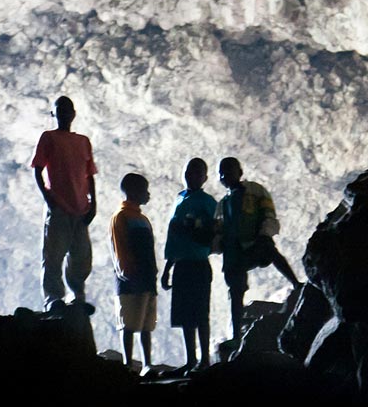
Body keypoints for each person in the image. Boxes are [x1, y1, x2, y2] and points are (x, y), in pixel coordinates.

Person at [215, 157, 302, 338]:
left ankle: (296, 284)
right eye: (221, 172)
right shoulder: (222, 204)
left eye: (229, 170)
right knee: (236, 290)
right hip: (234, 252)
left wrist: (265, 233)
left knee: (271, 252)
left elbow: (268, 212)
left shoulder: (255, 191)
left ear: (239, 172)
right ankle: (236, 335)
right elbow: (218, 230)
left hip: (256, 241)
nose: (225, 175)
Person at [31, 96, 98, 312]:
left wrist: (93, 203)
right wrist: (48, 197)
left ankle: (77, 296)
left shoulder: (83, 141)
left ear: (74, 113)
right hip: (58, 206)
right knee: (53, 255)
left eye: (67, 110)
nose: (64, 114)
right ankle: (53, 299)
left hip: (81, 208)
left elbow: (89, 175)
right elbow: (37, 168)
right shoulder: (48, 138)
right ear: (54, 114)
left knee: (81, 257)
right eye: (59, 110)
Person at [161, 158, 218, 371]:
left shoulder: (207, 201)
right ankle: (191, 360)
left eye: (197, 173)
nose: (192, 177)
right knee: (185, 315)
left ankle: (204, 360)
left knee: (200, 313)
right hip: (181, 264)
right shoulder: (179, 199)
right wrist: (167, 268)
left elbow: (215, 230)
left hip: (199, 263)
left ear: (205, 177)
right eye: (189, 172)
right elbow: (173, 239)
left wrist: (194, 230)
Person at [110, 173, 157, 372]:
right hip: (130, 278)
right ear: (133, 192)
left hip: (146, 277)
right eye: (144, 190)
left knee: (146, 323)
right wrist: (127, 272)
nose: (147, 195)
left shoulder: (143, 219)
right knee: (128, 322)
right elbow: (118, 247)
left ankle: (147, 363)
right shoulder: (120, 217)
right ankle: (127, 364)